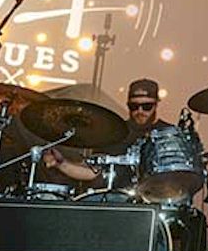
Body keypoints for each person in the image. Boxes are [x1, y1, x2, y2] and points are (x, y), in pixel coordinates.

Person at [44, 78, 172, 185]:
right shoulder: (114, 132)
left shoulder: (169, 133)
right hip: (116, 199)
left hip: (156, 200)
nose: (140, 111)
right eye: (134, 106)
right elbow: (92, 172)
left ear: (156, 104)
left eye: (146, 106)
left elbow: (180, 176)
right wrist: (61, 163)